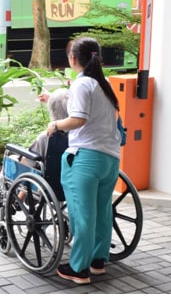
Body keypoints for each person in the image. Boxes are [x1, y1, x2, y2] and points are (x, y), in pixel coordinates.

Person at [45, 37, 122, 285]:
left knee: (82, 214)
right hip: (110, 159)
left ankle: (79, 268)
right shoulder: (104, 83)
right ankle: (98, 260)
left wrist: (55, 124)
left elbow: (78, 119)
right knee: (101, 211)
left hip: (86, 158)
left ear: (73, 58)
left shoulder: (83, 84)